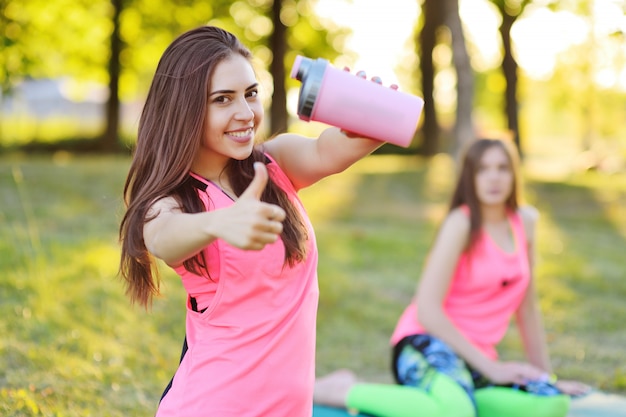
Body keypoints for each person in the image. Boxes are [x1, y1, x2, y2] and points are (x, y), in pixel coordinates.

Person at [118, 25, 393, 417]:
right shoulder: (173, 200)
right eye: (222, 99)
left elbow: (341, 146)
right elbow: (162, 236)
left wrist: (364, 103)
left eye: (250, 94)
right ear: (185, 108)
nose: (245, 113)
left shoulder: (275, 163)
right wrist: (218, 223)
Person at [312, 137, 591, 417]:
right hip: (426, 344)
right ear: (470, 177)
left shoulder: (526, 222)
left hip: (475, 359)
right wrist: (491, 369)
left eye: (502, 168)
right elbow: (427, 311)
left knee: (552, 403)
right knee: (455, 412)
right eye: (482, 169)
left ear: (514, 173)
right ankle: (341, 390)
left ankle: (455, 400)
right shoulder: (461, 223)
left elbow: (528, 309)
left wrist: (547, 379)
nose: (493, 177)